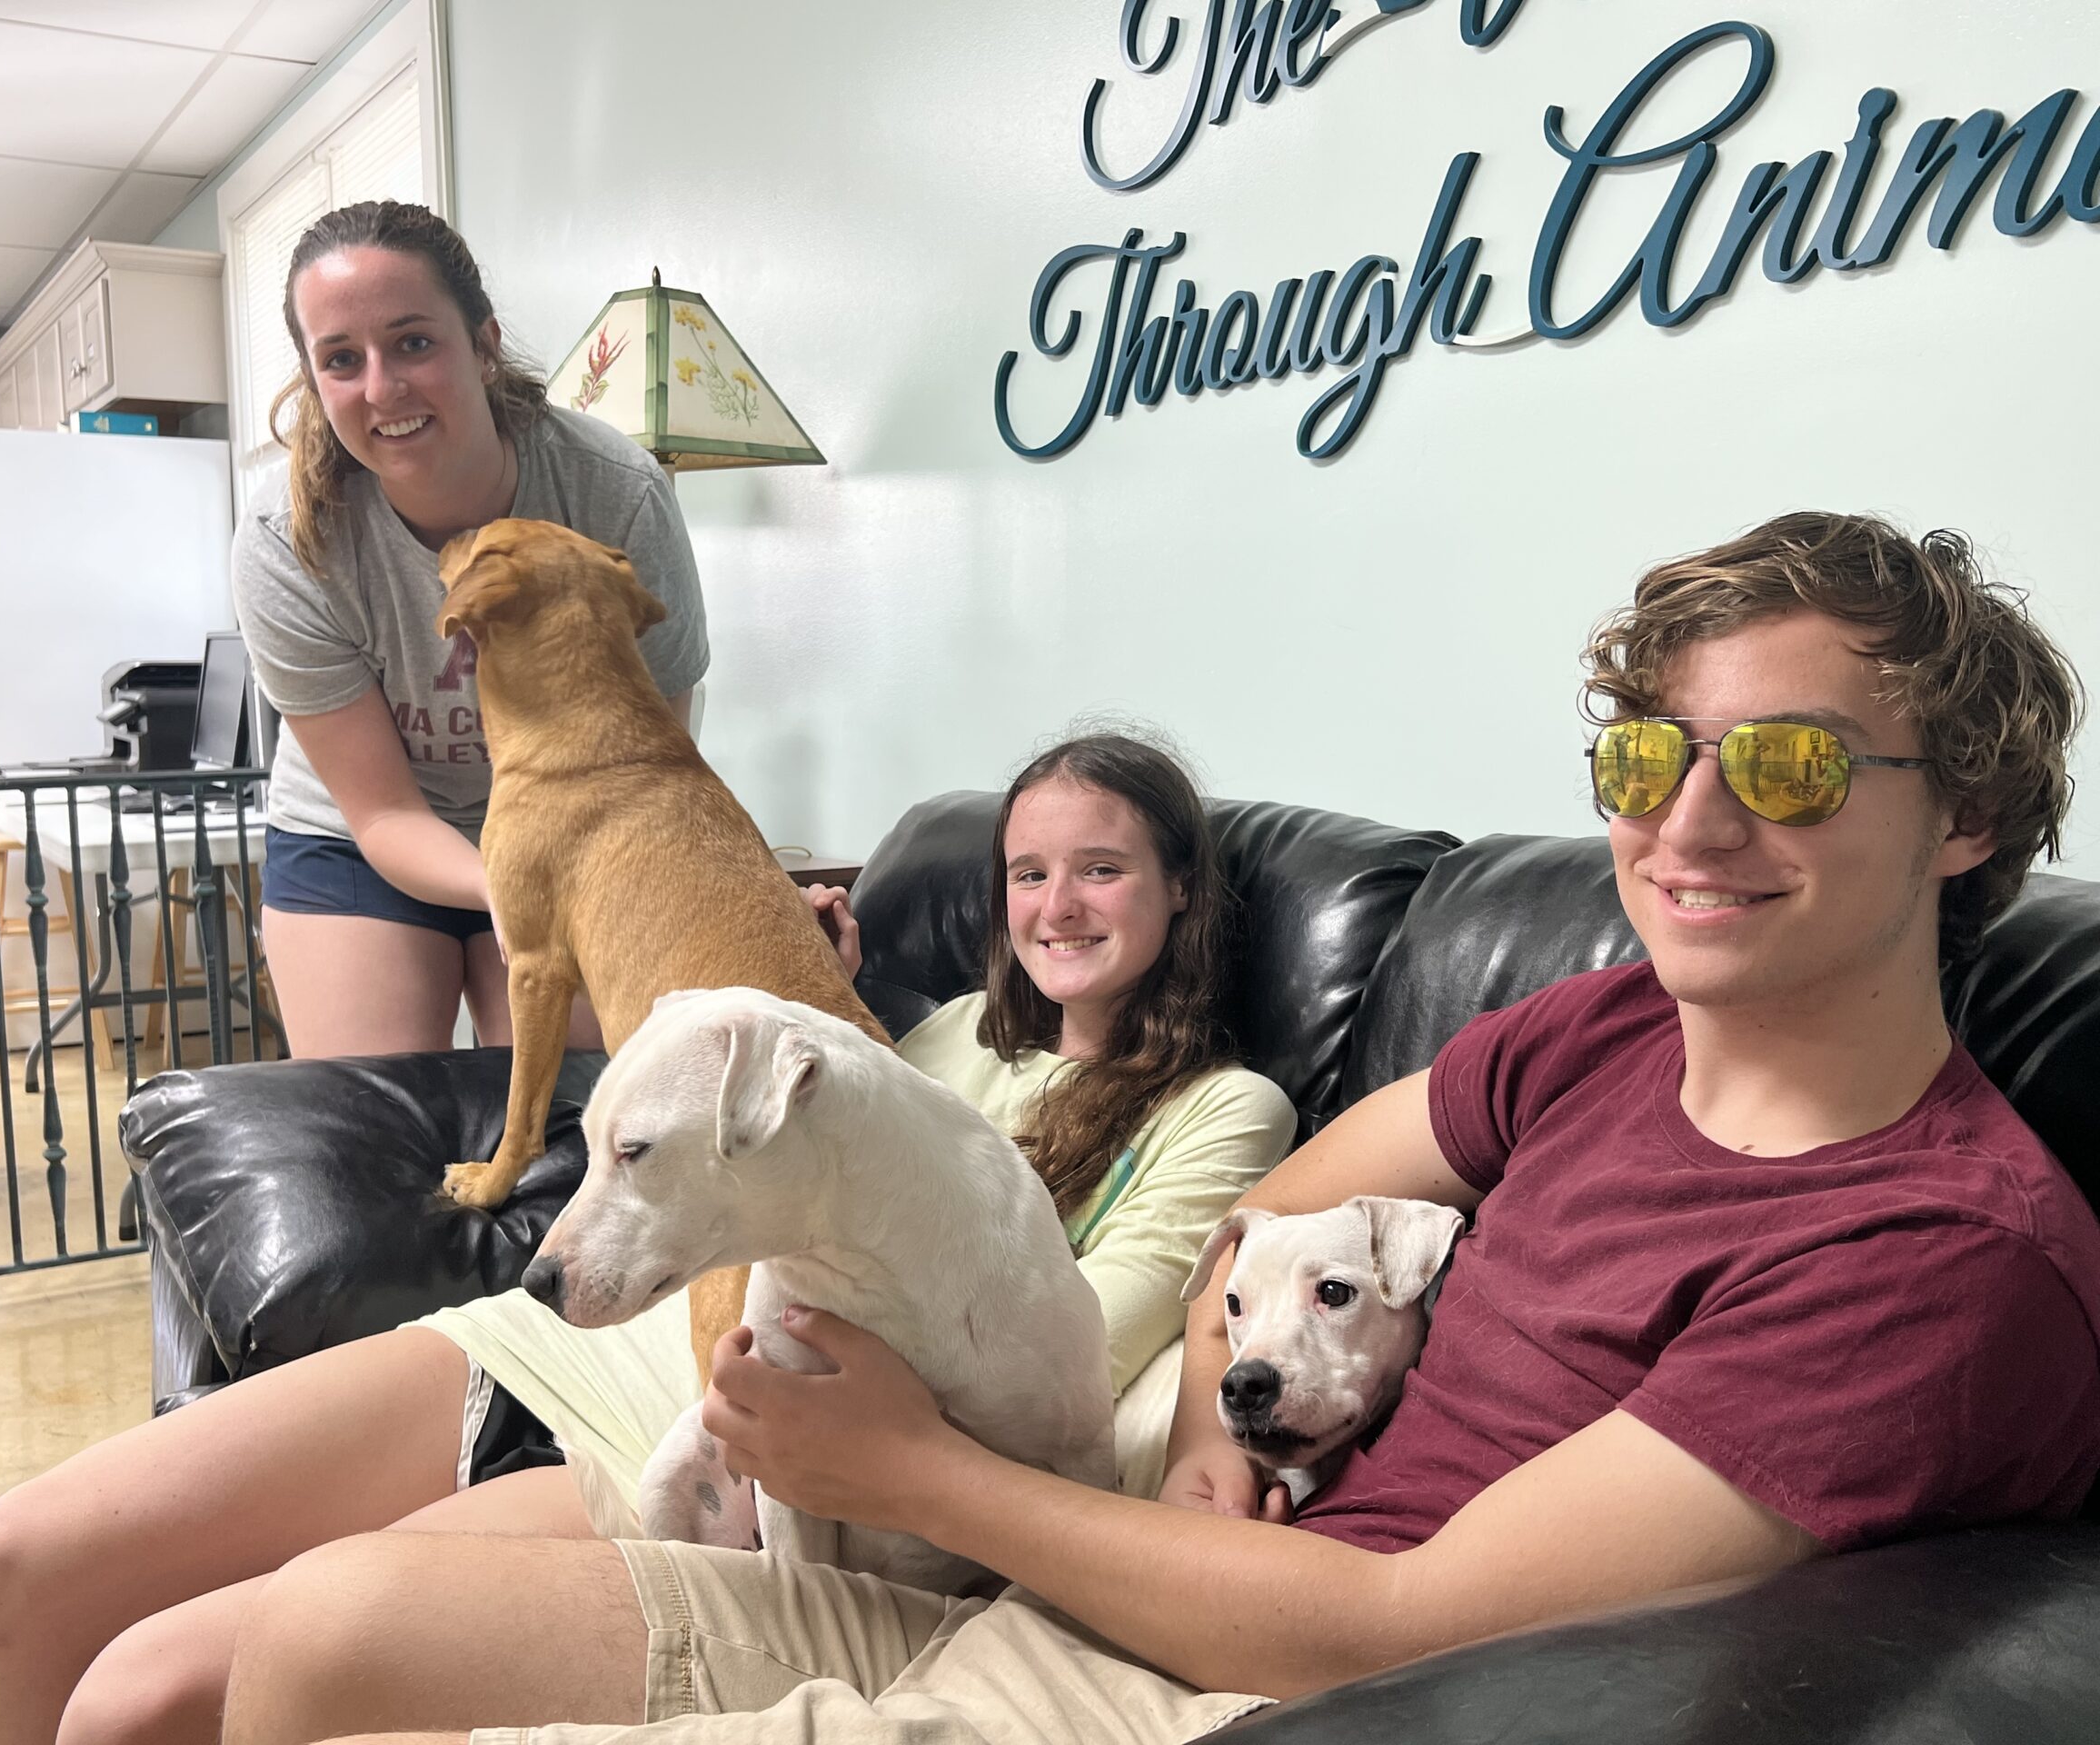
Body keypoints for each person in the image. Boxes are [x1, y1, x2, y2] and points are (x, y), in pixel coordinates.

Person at [206, 512, 2100, 1745]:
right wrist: (1206, 1425)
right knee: (302, 1649)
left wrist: (923, 1477)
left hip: (1224, 1691)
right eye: (1641, 759)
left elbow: (1394, 1633)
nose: (1681, 832)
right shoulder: (1597, 1027)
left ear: (1963, 818)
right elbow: (1270, 1217)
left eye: (1783, 767)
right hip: (1112, 1567)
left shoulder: (1931, 1260)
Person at [0, 732, 1297, 1745]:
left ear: (1181, 889)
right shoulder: (929, 1037)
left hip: (754, 1444)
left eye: (1102, 870)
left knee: (151, 1693)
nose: (1056, 905)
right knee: (22, 1559)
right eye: (1027, 873)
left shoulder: (1225, 1109)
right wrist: (807, 972)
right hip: (630, 1353)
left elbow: (1091, 1330)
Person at [234, 199, 710, 1059]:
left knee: (592, 1108)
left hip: (570, 830)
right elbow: (382, 816)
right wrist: (512, 882)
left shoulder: (618, 494)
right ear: (314, 383)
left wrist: (594, 877)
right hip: (357, 844)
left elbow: (653, 759)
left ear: (484, 345)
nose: (382, 388)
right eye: (342, 361)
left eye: (414, 342)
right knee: (377, 1120)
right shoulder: (287, 539)